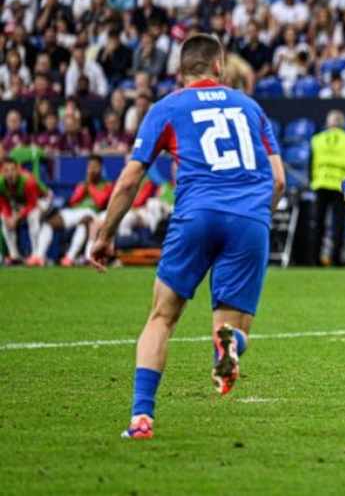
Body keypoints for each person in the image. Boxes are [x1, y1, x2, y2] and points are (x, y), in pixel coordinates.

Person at [87, 33, 286, 440]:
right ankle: (229, 345)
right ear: (219, 66)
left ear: (181, 70)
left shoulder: (167, 108)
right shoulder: (250, 107)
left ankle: (141, 419)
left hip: (196, 216)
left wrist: (106, 234)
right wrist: (256, 220)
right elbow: (279, 180)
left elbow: (130, 178)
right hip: (249, 220)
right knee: (230, 329)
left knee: (162, 317)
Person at [30, 154, 110, 267]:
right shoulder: (82, 184)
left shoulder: (107, 184)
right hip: (76, 212)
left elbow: (100, 202)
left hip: (92, 213)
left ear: (101, 168)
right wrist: (85, 186)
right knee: (49, 223)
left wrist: (90, 186)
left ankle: (69, 258)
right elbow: (73, 201)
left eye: (95, 167)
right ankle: (39, 257)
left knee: (84, 221)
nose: (92, 170)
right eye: (90, 167)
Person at [310, 110, 345, 266]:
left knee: (318, 224)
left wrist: (313, 181)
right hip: (340, 186)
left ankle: (314, 259)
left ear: (327, 123)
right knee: (339, 225)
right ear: (343, 124)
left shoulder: (317, 139)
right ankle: (336, 259)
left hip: (321, 183)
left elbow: (311, 163)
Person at [0, 156, 43, 265]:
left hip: (41, 199)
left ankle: (36, 255)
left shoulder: (28, 181)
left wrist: (16, 218)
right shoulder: (1, 183)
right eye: (6, 171)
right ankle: (14, 256)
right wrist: (9, 217)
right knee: (4, 218)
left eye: (12, 170)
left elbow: (32, 204)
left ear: (18, 170)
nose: (9, 174)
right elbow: (3, 204)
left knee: (33, 216)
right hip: (19, 204)